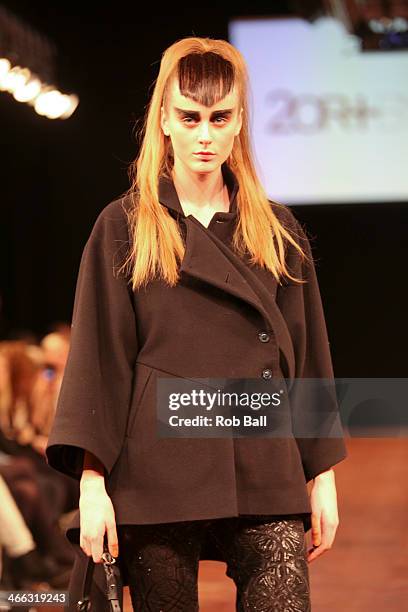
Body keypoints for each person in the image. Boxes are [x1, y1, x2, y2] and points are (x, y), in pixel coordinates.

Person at [45, 36, 348, 611]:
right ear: (163, 119)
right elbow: (99, 362)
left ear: (239, 122)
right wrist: (91, 484)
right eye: (189, 117)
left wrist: (322, 475)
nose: (204, 134)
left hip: (265, 465)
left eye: (219, 117)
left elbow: (308, 357)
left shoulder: (277, 231)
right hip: (158, 472)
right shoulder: (124, 226)